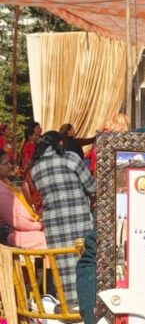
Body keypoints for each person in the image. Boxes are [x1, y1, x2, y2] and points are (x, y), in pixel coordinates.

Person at [31, 131, 96, 306]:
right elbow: (92, 186)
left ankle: (68, 306)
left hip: (54, 225)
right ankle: (86, 303)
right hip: (79, 219)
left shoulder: (35, 168)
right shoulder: (70, 158)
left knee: (62, 265)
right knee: (84, 262)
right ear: (59, 143)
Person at [0, 149, 46, 249]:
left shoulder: (7, 182)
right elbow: (18, 222)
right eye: (5, 164)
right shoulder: (1, 190)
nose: (10, 166)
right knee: (48, 238)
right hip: (11, 235)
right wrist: (40, 226)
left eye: (9, 162)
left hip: (25, 228)